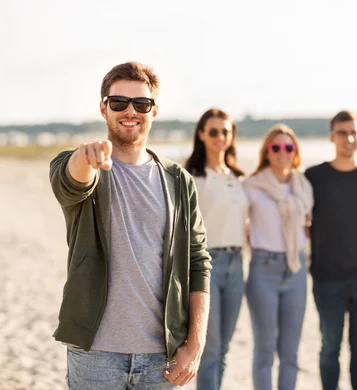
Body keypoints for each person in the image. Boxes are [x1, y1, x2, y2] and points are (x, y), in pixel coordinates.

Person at [49, 61, 212, 389]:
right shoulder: (85, 166)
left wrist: (194, 346)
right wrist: (86, 156)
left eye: (142, 103)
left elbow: (198, 262)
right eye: (119, 102)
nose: (130, 111)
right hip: (95, 353)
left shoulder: (178, 180)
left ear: (154, 111)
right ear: (103, 107)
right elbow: (72, 182)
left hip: (161, 357)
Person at [304, 110, 357, 390]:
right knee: (329, 348)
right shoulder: (314, 176)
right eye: (342, 132)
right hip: (327, 278)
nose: (348, 138)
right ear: (332, 136)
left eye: (354, 132)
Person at [242, 124, 313, 390]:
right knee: (264, 350)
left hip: (296, 270)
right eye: (276, 147)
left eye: (288, 147)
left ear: (295, 152)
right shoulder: (251, 185)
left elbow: (307, 228)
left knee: (290, 352)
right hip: (264, 270)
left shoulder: (304, 187)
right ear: (267, 152)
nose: (282, 152)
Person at [184, 108, 247, 390]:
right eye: (213, 131)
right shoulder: (193, 177)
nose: (220, 137)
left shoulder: (238, 176)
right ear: (201, 134)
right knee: (210, 350)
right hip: (208, 265)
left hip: (237, 264)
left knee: (223, 349)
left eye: (225, 131)